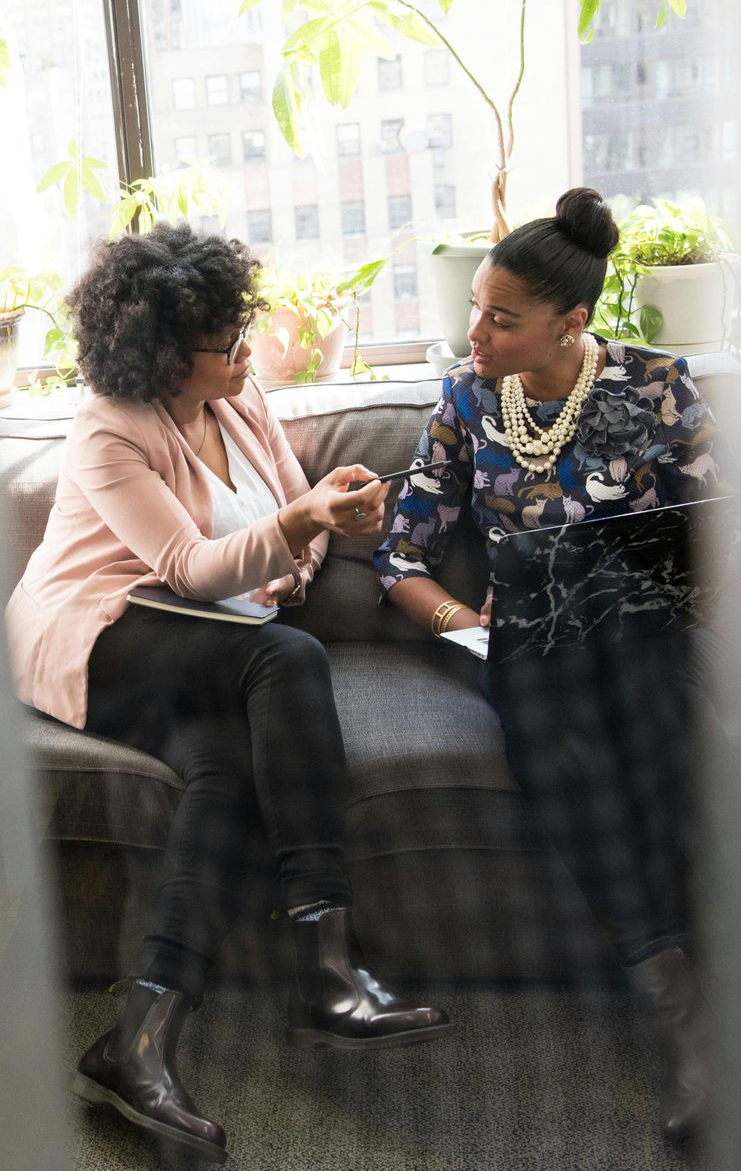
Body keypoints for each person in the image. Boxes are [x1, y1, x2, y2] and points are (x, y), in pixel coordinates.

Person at [5, 222, 451, 1165]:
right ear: (167, 356)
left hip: (202, 639)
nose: (248, 348)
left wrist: (313, 533)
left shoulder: (243, 404)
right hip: (99, 628)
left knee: (232, 766)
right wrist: (293, 533)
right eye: (226, 339)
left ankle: (137, 1040)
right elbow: (187, 565)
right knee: (285, 660)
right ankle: (326, 968)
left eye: (242, 326)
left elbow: (297, 521)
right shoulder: (108, 429)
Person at [374, 187, 737, 1143]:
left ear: (571, 322)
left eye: (502, 317)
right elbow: (401, 557)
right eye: (474, 310)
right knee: (555, 740)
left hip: (643, 637)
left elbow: (707, 539)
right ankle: (681, 1015)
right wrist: (468, 620)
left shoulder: (655, 384)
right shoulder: (463, 398)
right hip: (526, 647)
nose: (477, 332)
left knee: (663, 730)